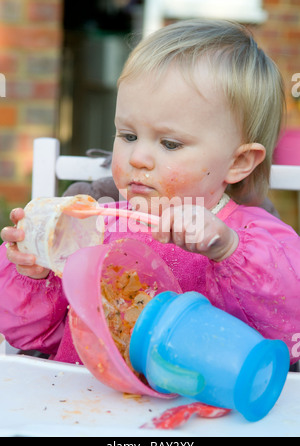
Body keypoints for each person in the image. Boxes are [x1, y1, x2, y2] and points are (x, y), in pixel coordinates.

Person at [1, 19, 300, 366]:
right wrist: (33, 274)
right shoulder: (90, 228)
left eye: (170, 143)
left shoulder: (255, 238)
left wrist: (228, 250)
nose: (138, 157)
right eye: (128, 136)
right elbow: (32, 336)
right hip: (85, 404)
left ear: (239, 162)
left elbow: (287, 329)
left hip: (205, 412)